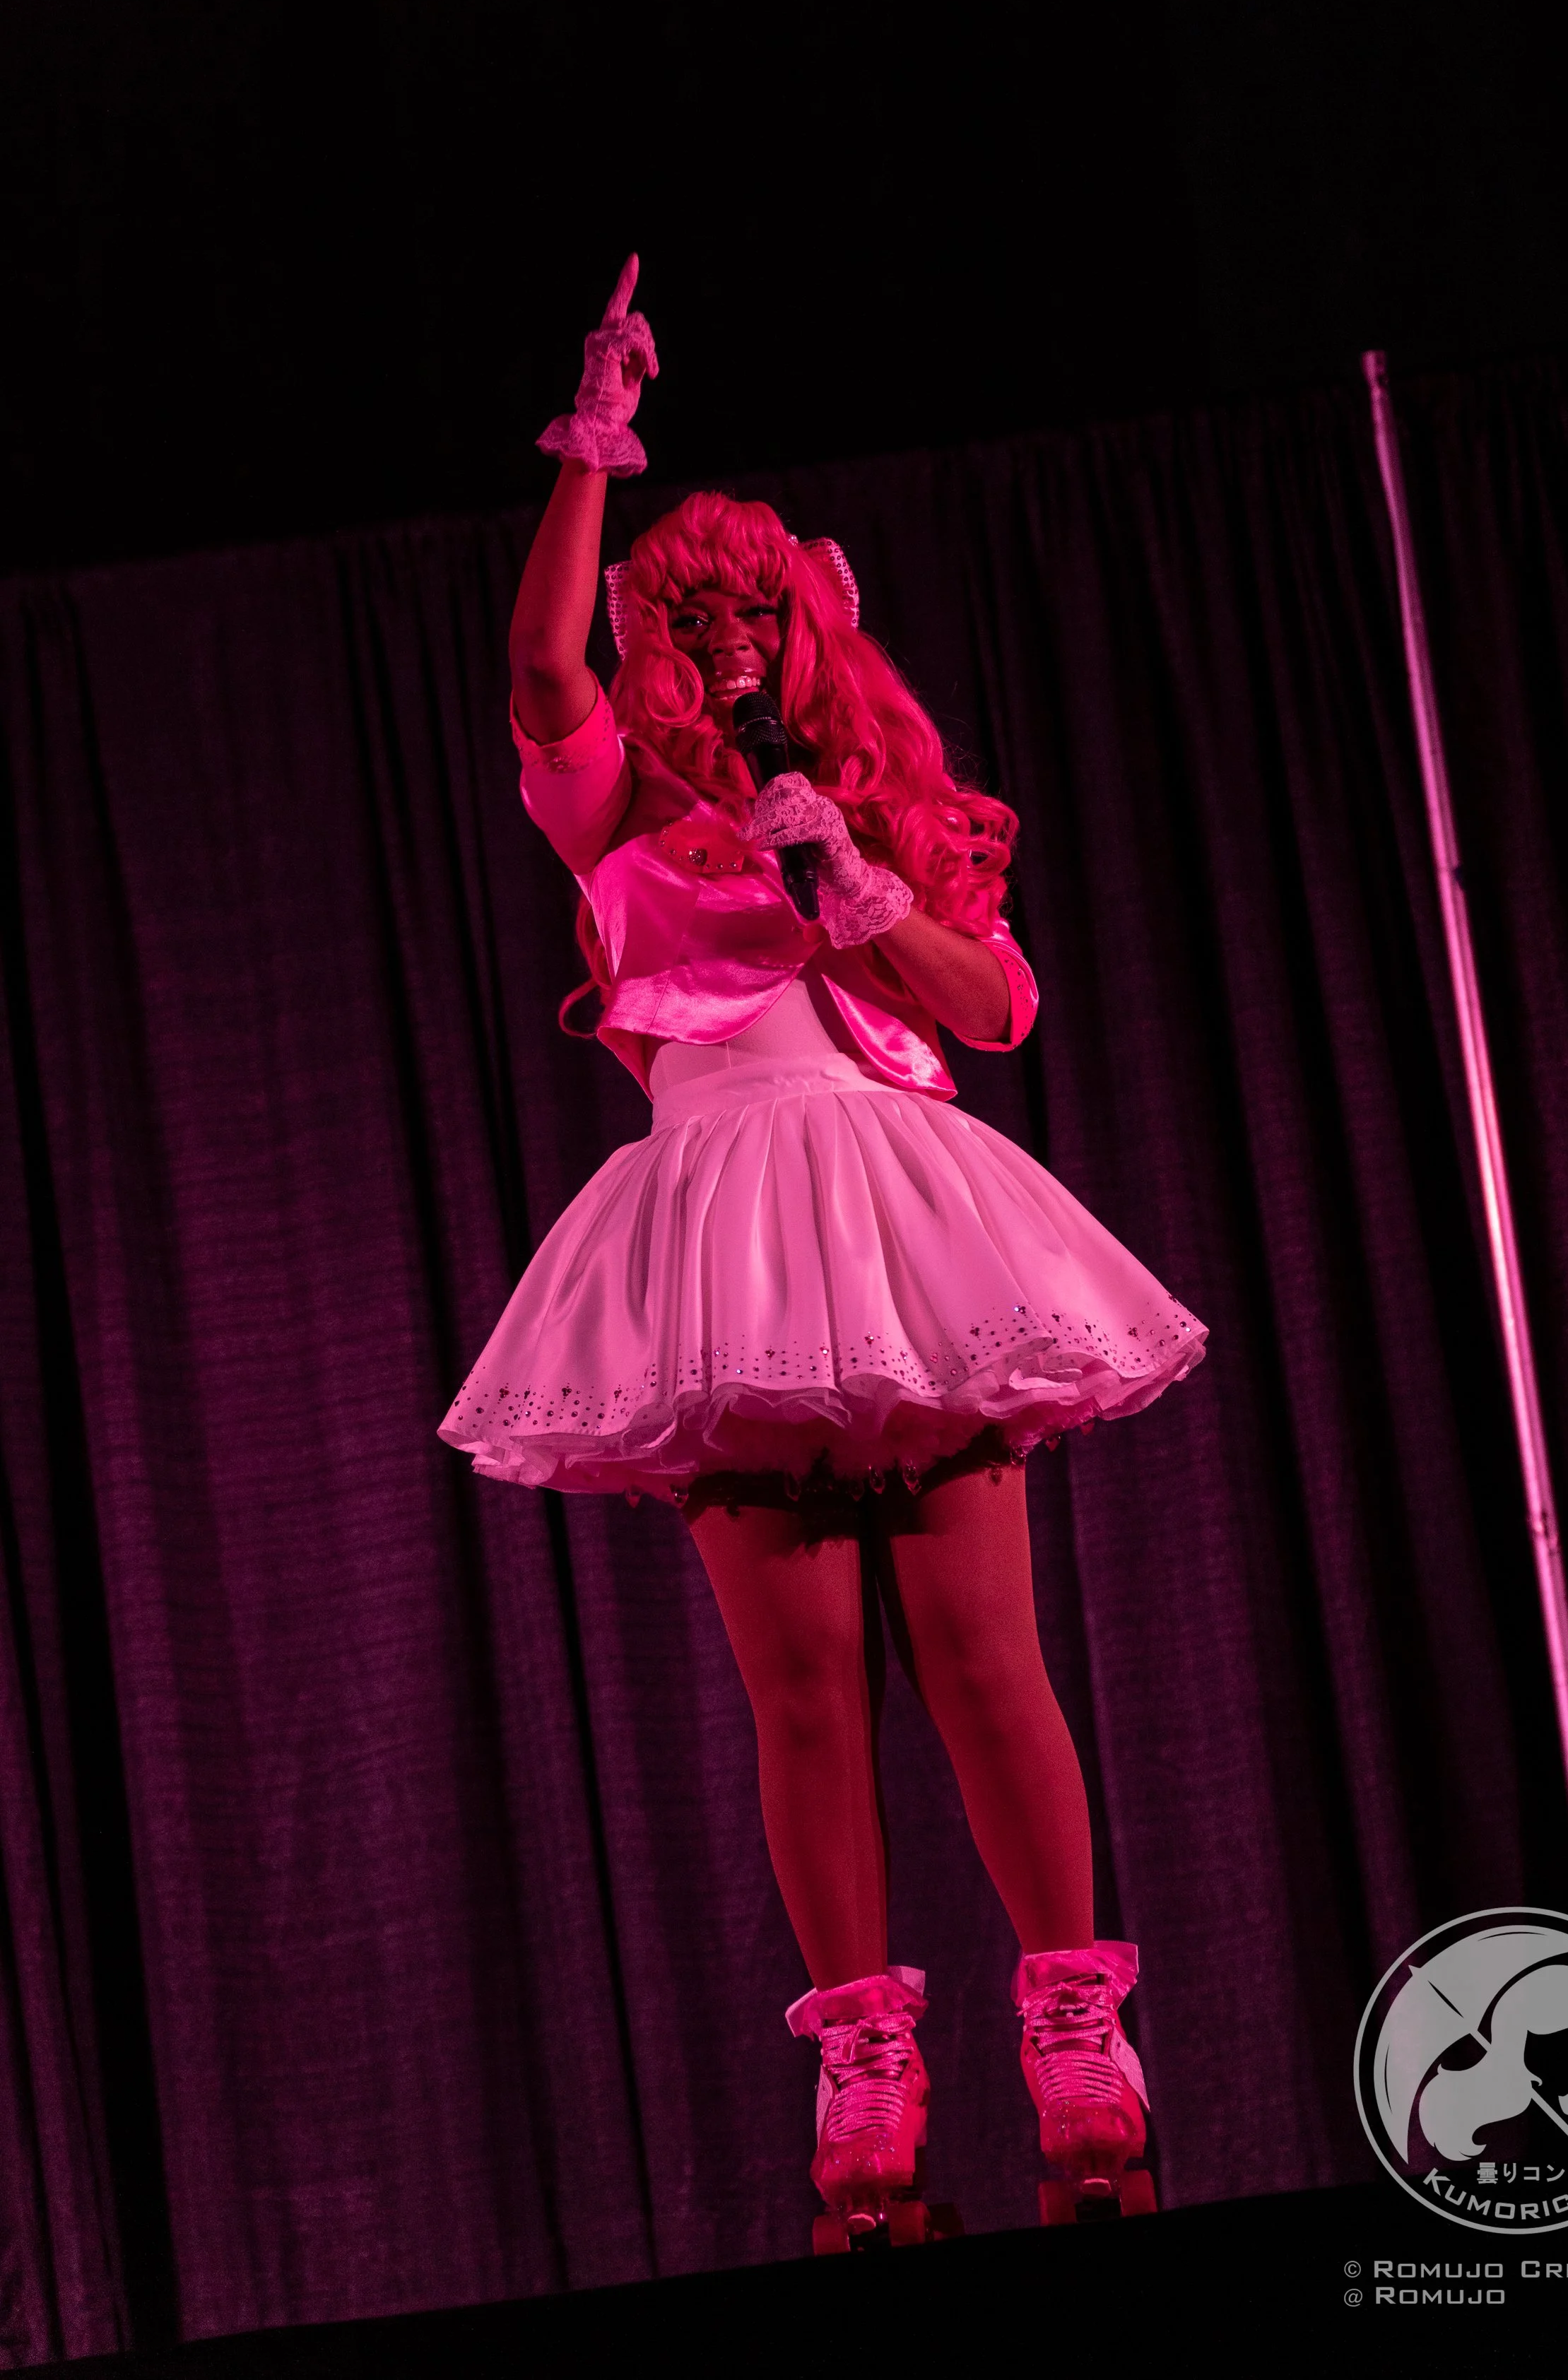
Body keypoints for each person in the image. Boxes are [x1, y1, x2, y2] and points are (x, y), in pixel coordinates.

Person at [439, 258, 1207, 2247]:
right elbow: (537, 670)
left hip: (893, 1217)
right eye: (680, 621)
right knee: (799, 1685)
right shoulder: (612, 809)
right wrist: (596, 435)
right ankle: (865, 2051)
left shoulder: (871, 814)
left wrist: (846, 876)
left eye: (743, 614)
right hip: (725, 1230)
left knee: (976, 1648)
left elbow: (995, 1005)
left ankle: (1072, 2029)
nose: (710, 645)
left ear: (804, 625)